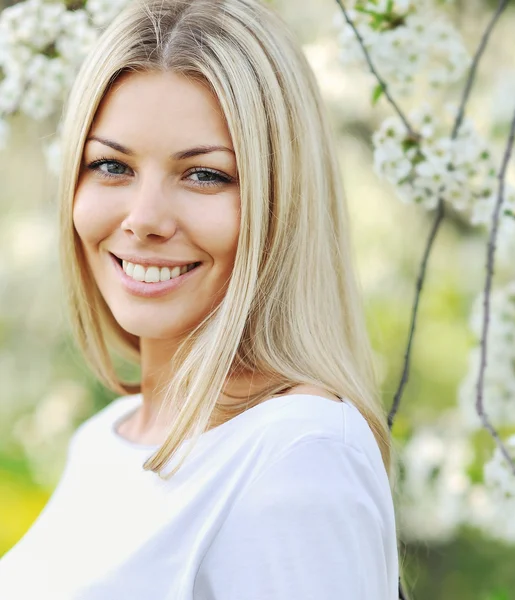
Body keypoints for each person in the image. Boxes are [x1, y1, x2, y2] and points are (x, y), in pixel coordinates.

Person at [0, 0, 400, 598]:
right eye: (111, 165)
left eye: (205, 175)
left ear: (281, 201)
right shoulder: (105, 440)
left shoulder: (299, 454)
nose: (144, 220)